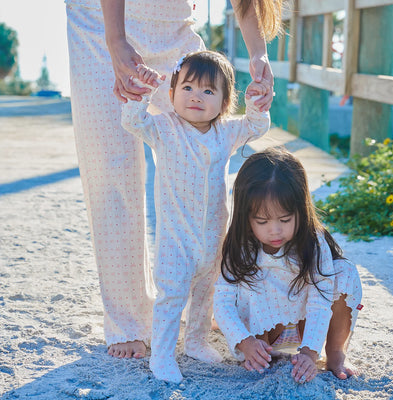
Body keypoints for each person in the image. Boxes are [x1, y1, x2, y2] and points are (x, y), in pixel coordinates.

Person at [66, 0, 282, 360]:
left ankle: (210, 304)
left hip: (174, 26)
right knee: (112, 171)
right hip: (99, 21)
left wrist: (259, 54)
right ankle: (129, 321)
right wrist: (116, 40)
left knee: (203, 151)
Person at [120, 50, 271, 382]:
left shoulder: (226, 132)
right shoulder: (164, 128)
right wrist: (142, 94)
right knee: (172, 293)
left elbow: (256, 125)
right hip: (176, 236)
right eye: (187, 88)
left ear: (224, 102)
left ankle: (196, 341)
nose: (196, 97)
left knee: (208, 289)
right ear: (171, 94)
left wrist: (257, 102)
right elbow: (132, 121)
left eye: (208, 91)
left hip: (215, 234)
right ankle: (162, 353)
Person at [213, 148, 363, 383]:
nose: (275, 230)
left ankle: (335, 353)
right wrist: (246, 342)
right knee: (251, 281)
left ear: (301, 211)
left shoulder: (314, 242)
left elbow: (320, 300)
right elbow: (222, 301)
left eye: (285, 220)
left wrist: (310, 353)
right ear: (245, 215)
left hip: (306, 329)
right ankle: (259, 355)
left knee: (344, 272)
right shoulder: (241, 246)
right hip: (262, 337)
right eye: (262, 221)